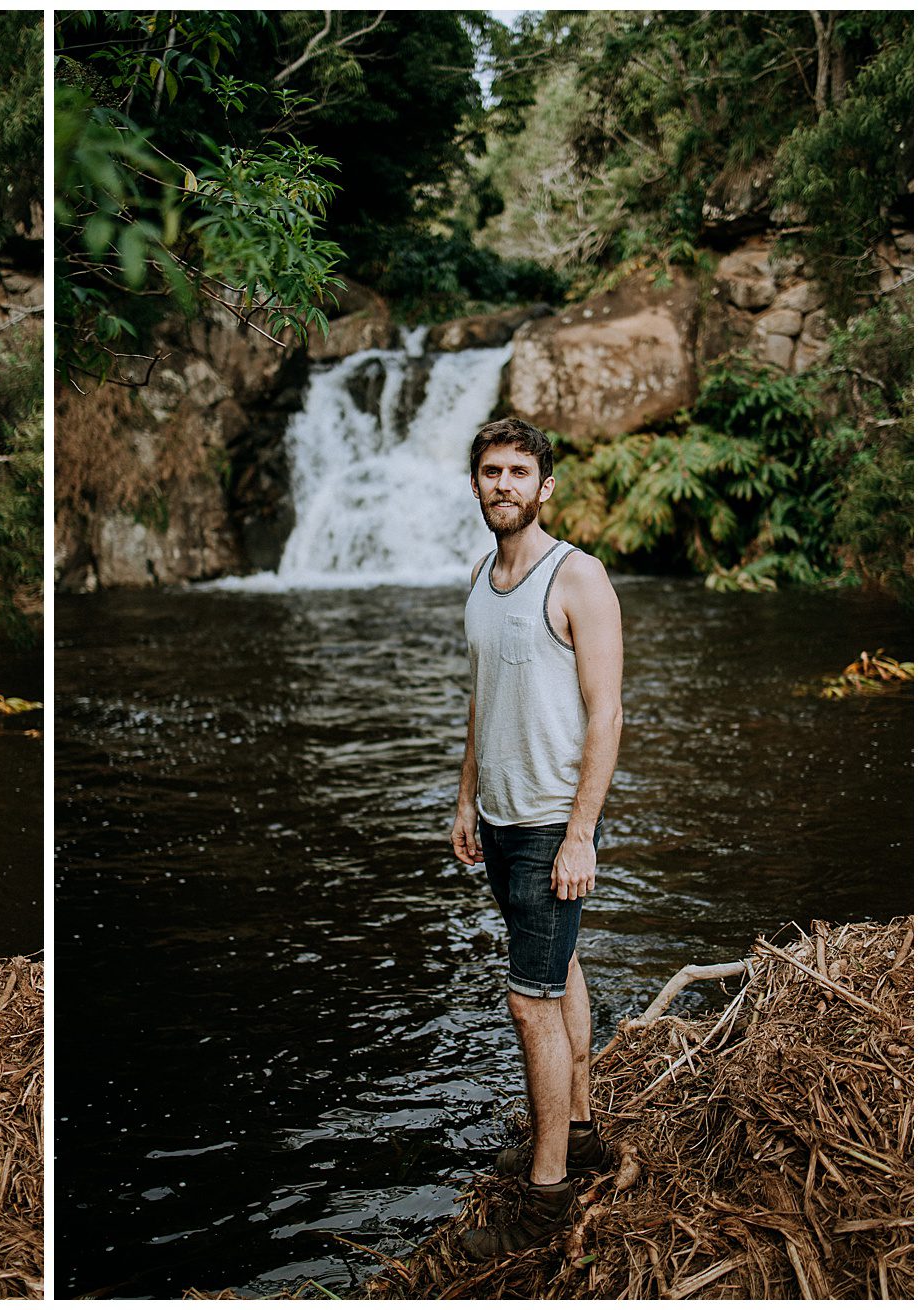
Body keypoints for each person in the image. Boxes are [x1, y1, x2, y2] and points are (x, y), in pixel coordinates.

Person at [448, 418, 623, 1260]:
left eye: (520, 472)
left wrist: (580, 834)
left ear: (545, 487)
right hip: (501, 820)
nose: (504, 484)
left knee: (529, 1001)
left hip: (555, 821)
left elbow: (608, 712)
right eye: (491, 472)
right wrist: (463, 800)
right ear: (476, 484)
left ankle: (549, 1195)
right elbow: (480, 700)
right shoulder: (481, 578)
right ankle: (580, 1130)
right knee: (559, 970)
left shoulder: (578, 577)